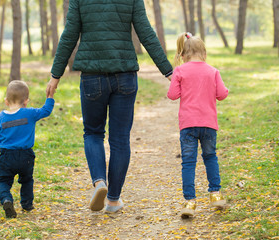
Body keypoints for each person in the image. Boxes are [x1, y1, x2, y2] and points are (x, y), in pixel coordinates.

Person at [46, 0, 173, 213]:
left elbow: (69, 35)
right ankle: (113, 200)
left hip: (92, 77)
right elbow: (146, 33)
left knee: (93, 133)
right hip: (125, 75)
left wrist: (55, 75)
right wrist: (169, 72)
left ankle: (99, 182)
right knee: (120, 139)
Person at [167, 32, 229, 218]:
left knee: (188, 162)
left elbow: (172, 95)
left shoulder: (180, 71)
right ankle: (215, 194)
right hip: (209, 124)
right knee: (210, 157)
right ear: (204, 54)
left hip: (188, 126)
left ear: (183, 55)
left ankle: (190, 202)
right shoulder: (213, 71)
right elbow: (222, 94)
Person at [0, 80, 54, 218]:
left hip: (7, 155)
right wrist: (50, 97)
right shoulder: (30, 113)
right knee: (26, 180)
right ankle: (27, 204)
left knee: (3, 181)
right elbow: (46, 110)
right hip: (26, 156)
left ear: (6, 101)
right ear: (26, 101)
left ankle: (7, 199)